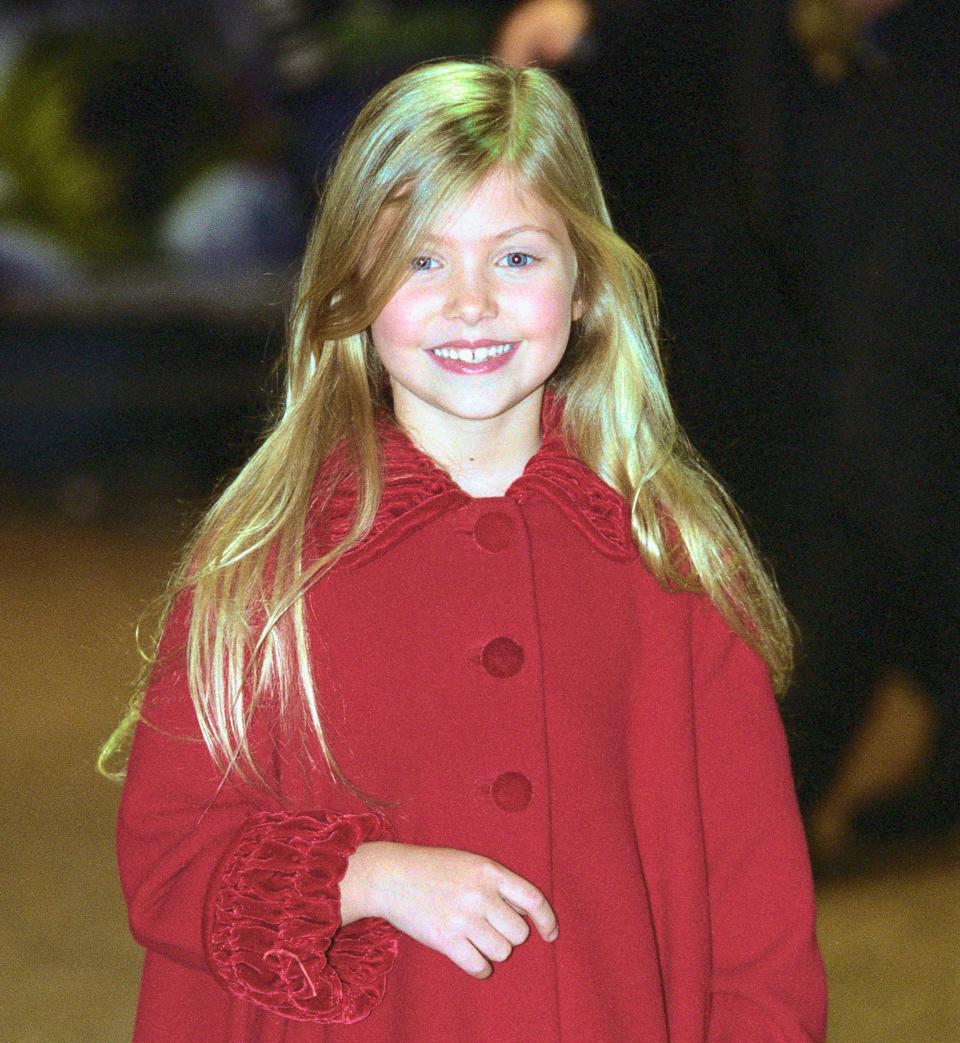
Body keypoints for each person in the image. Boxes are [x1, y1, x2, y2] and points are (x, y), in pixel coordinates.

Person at [102, 60, 826, 1042]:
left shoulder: (676, 563)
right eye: (421, 259)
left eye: (518, 257)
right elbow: (168, 852)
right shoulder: (265, 563)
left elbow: (760, 927)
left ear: (585, 289)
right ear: (353, 290)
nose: (472, 302)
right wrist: (364, 875)